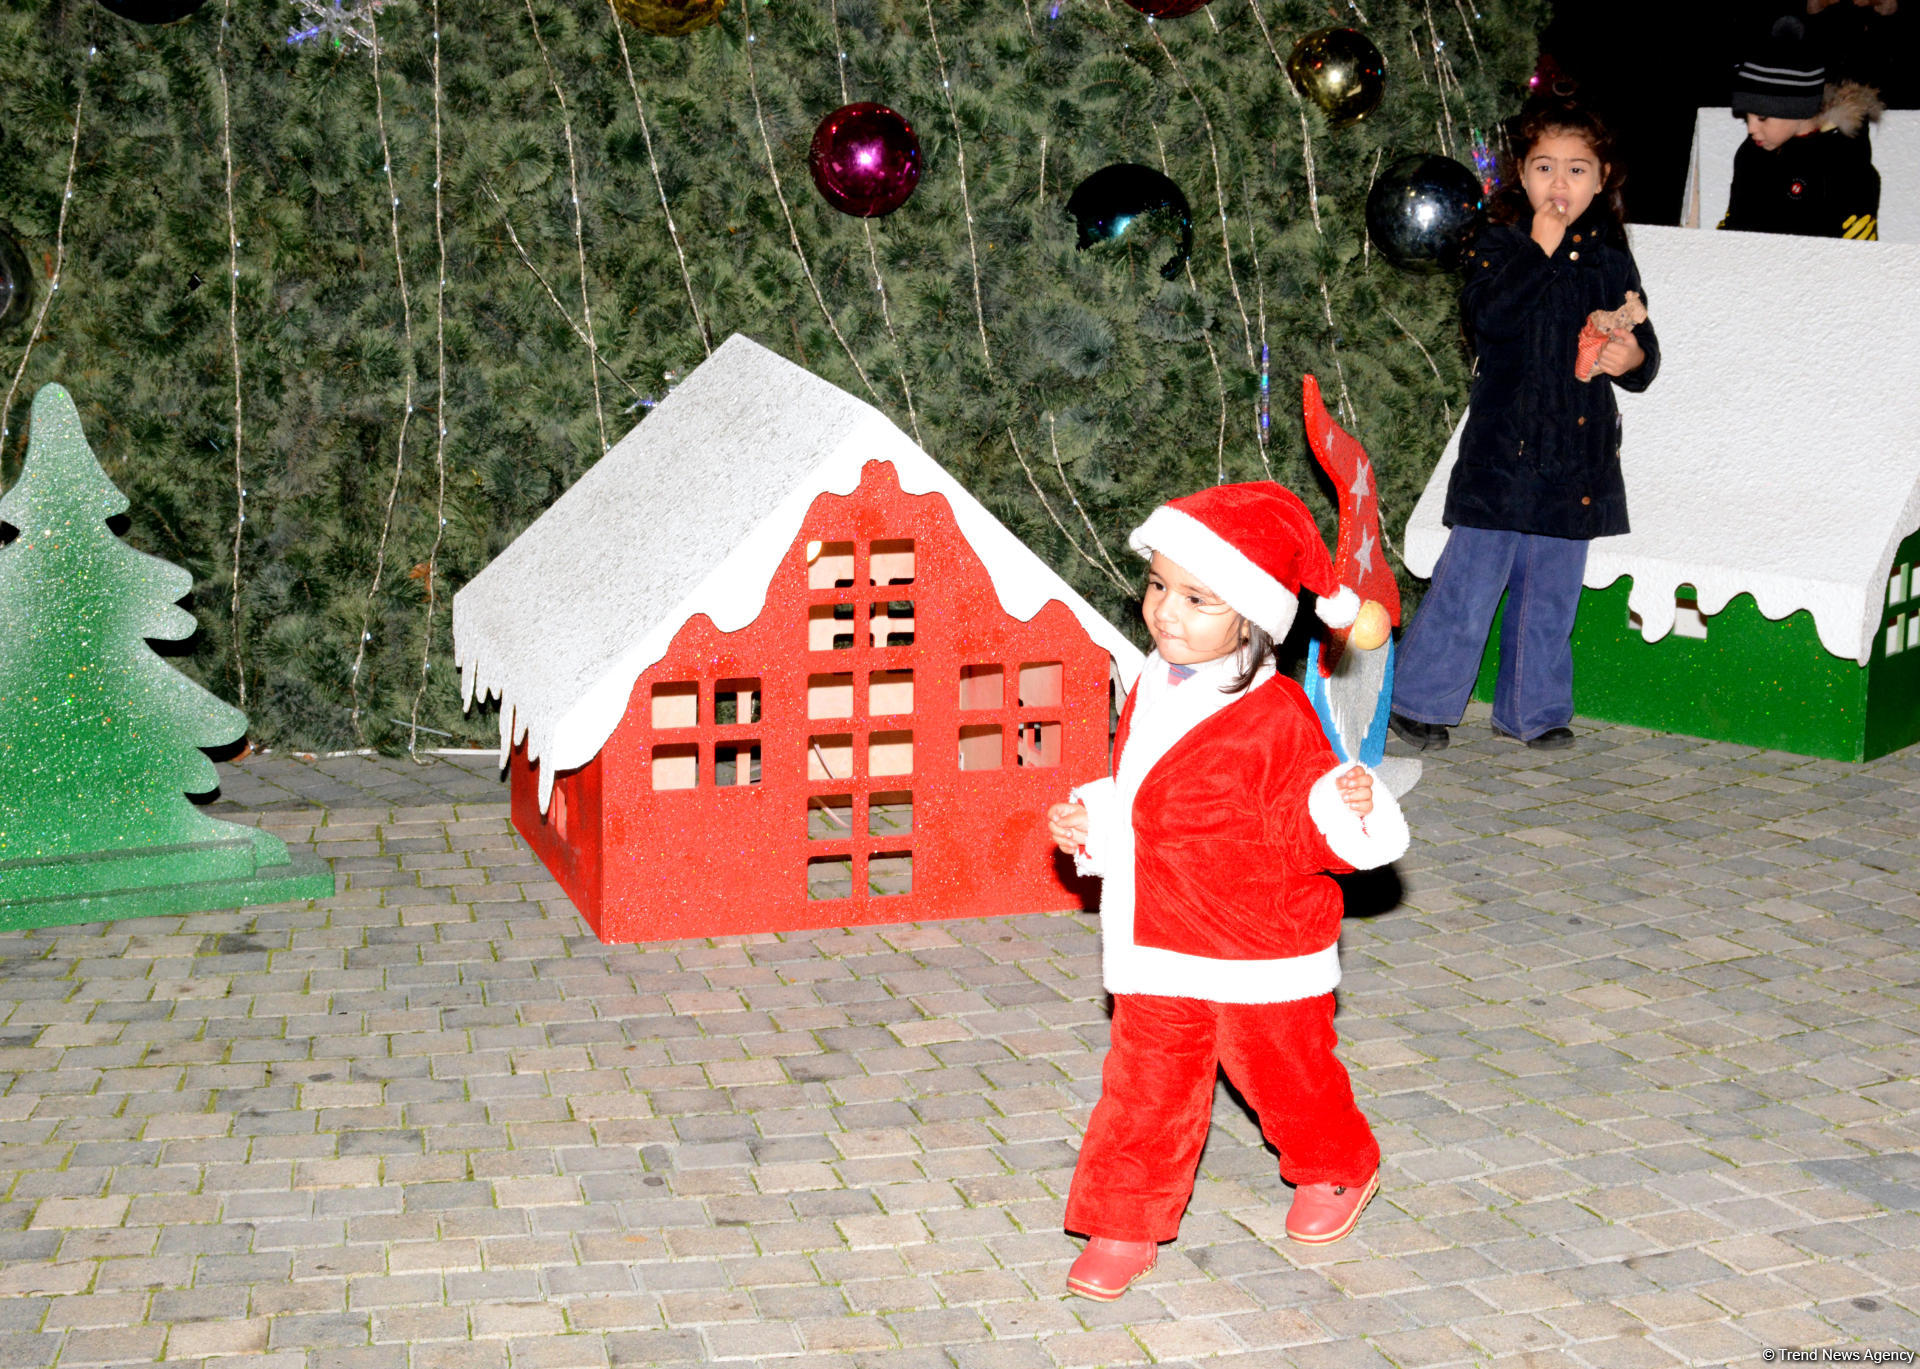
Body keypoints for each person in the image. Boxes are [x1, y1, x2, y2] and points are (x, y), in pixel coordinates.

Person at [1044, 482, 1409, 1301]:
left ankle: (1339, 1163)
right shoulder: (1148, 683)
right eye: (1159, 586)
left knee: (1285, 1075)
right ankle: (1123, 1219)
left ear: (1249, 616)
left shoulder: (1277, 715)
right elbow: (1144, 792)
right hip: (1159, 941)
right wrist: (1094, 818)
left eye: (1198, 598)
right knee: (1144, 1087)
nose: (1167, 610)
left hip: (1259, 947)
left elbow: (1311, 824)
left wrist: (1346, 810)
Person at [1388, 96, 1660, 754]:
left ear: (1601, 179)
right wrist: (1537, 251)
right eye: (1544, 168)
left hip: (1576, 455)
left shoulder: (1609, 257)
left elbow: (1642, 353)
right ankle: (1419, 700)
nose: (1559, 184)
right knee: (1471, 583)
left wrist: (1633, 356)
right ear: (1521, 173)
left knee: (1552, 594)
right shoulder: (1500, 243)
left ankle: (1532, 709)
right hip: (1503, 450)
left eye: (1576, 170)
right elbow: (1492, 320)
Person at [1720, 15, 1884, 240]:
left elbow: (1854, 249)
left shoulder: (1843, 161)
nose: (1751, 129)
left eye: (1762, 118)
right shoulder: (1750, 156)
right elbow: (1736, 229)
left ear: (1797, 110)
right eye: (1746, 118)